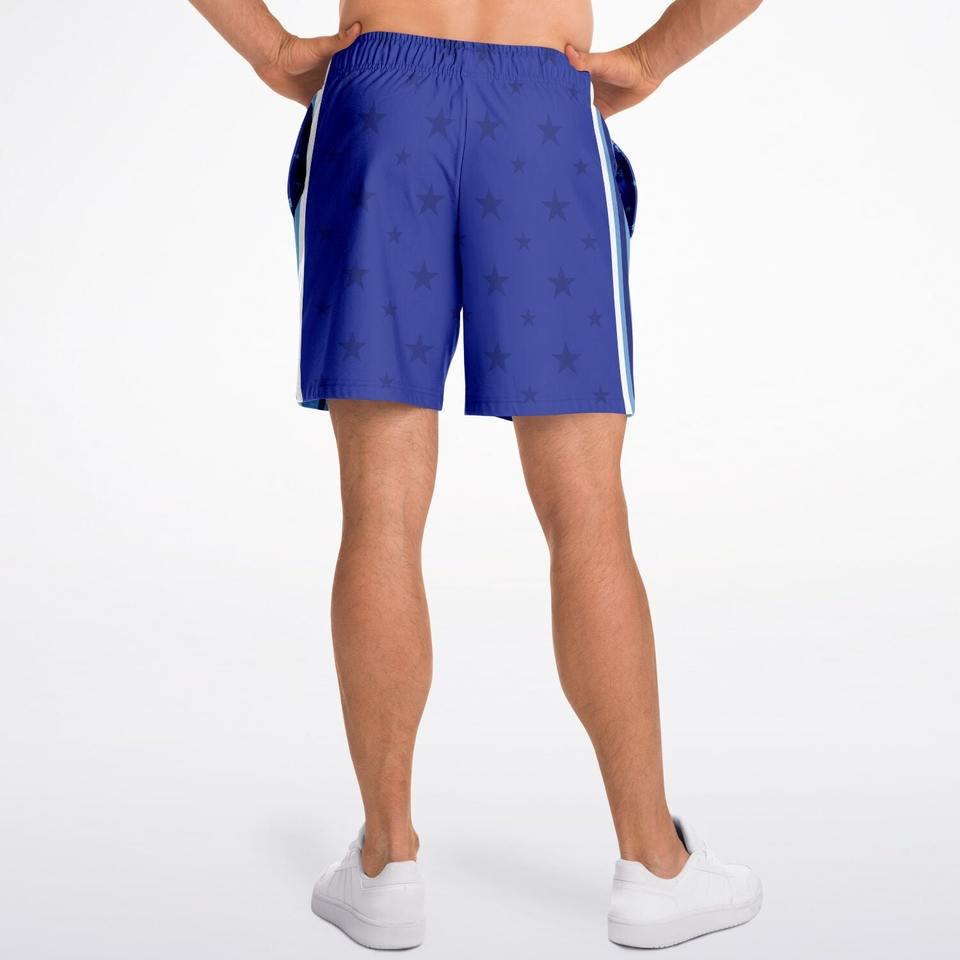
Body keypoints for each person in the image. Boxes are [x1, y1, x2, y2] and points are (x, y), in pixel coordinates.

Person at [189, 0, 765, 949]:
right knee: (587, 511)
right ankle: (655, 869)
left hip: (381, 99)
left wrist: (273, 50)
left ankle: (387, 866)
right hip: (544, 103)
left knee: (379, 505)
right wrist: (653, 58)